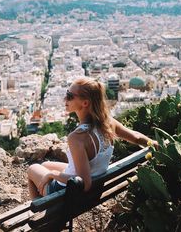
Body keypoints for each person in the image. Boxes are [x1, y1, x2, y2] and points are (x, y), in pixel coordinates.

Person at [27, 77, 156, 199]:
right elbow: (137, 137)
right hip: (97, 188)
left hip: (70, 194)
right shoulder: (109, 123)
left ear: (85, 103)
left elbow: (85, 183)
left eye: (70, 96)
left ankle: (42, 212)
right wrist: (156, 144)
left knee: (32, 169)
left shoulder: (77, 138)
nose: (65, 98)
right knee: (45, 165)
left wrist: (53, 175)